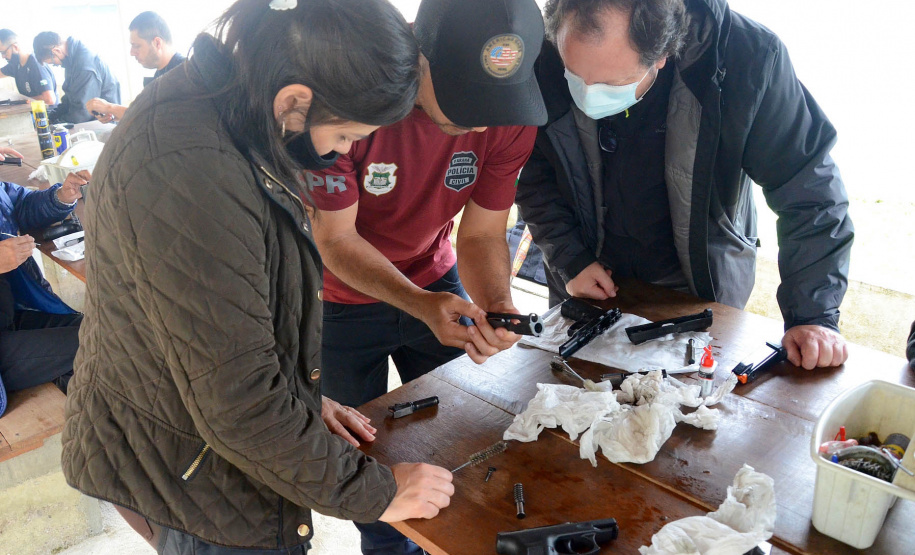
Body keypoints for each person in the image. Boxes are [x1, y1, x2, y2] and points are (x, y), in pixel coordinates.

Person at [60, 0, 452, 553]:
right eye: (344, 136)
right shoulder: (191, 167)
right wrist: (375, 492)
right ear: (295, 100)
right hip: (190, 468)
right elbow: (238, 402)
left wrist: (298, 396)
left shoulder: (228, 109)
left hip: (189, 418)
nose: (344, 151)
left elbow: (219, 314)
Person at [516, 0, 854, 371]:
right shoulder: (544, 48)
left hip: (697, 289)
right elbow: (533, 174)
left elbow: (808, 190)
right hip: (586, 281)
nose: (587, 94)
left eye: (611, 83)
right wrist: (570, 259)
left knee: (693, 411)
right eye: (575, 75)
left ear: (661, 54)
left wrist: (812, 314)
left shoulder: (748, 58)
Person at [307, 0, 545, 407]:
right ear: (418, 53)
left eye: (496, 100)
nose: (483, 122)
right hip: (337, 294)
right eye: (468, 96)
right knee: (353, 437)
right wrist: (418, 303)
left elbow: (482, 233)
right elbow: (336, 239)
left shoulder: (510, 116)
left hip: (433, 274)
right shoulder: (347, 98)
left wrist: (496, 302)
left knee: (458, 415)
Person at [0, 145, 87, 417]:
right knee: (101, 342)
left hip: (12, 315)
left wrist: (61, 196)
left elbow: (20, 205)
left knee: (102, 328)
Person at [86, 11, 186, 123]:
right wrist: (114, 115)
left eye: (136, 46)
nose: (132, 53)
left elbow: (158, 118)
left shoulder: (183, 74)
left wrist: (111, 108)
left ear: (157, 43)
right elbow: (147, 114)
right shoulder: (161, 74)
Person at [32, 32, 120, 124]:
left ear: (56, 51)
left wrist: (58, 124)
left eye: (53, 63)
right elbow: (69, 99)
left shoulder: (84, 67)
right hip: (88, 121)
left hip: (103, 125)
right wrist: (51, 118)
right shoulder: (72, 60)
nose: (56, 65)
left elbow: (82, 113)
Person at [0, 30, 57, 106]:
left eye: (4, 52)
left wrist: (20, 101)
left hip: (48, 115)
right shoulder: (15, 65)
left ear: (15, 47)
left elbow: (49, 99)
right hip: (29, 113)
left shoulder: (36, 65)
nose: (3, 56)